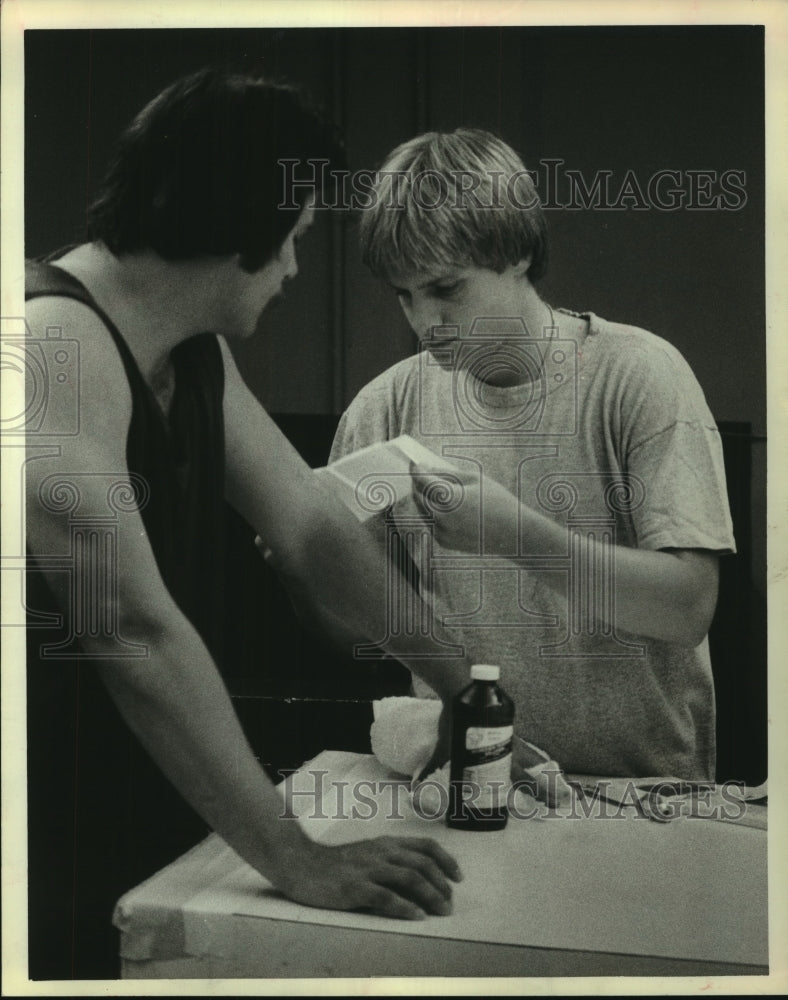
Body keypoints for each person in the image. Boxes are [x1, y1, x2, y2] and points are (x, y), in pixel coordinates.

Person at [24, 69, 468, 981]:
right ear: (237, 234)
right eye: (295, 240)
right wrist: (299, 859)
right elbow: (135, 634)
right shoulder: (53, 346)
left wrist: (467, 687)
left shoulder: (191, 350)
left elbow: (310, 526)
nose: (297, 270)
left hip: (116, 801)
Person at [330, 127, 736, 782]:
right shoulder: (382, 409)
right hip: (469, 786)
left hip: (635, 799)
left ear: (516, 254)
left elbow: (687, 607)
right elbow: (357, 626)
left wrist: (513, 534)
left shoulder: (640, 378)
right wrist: (306, 561)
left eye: (446, 289)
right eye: (404, 295)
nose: (423, 324)